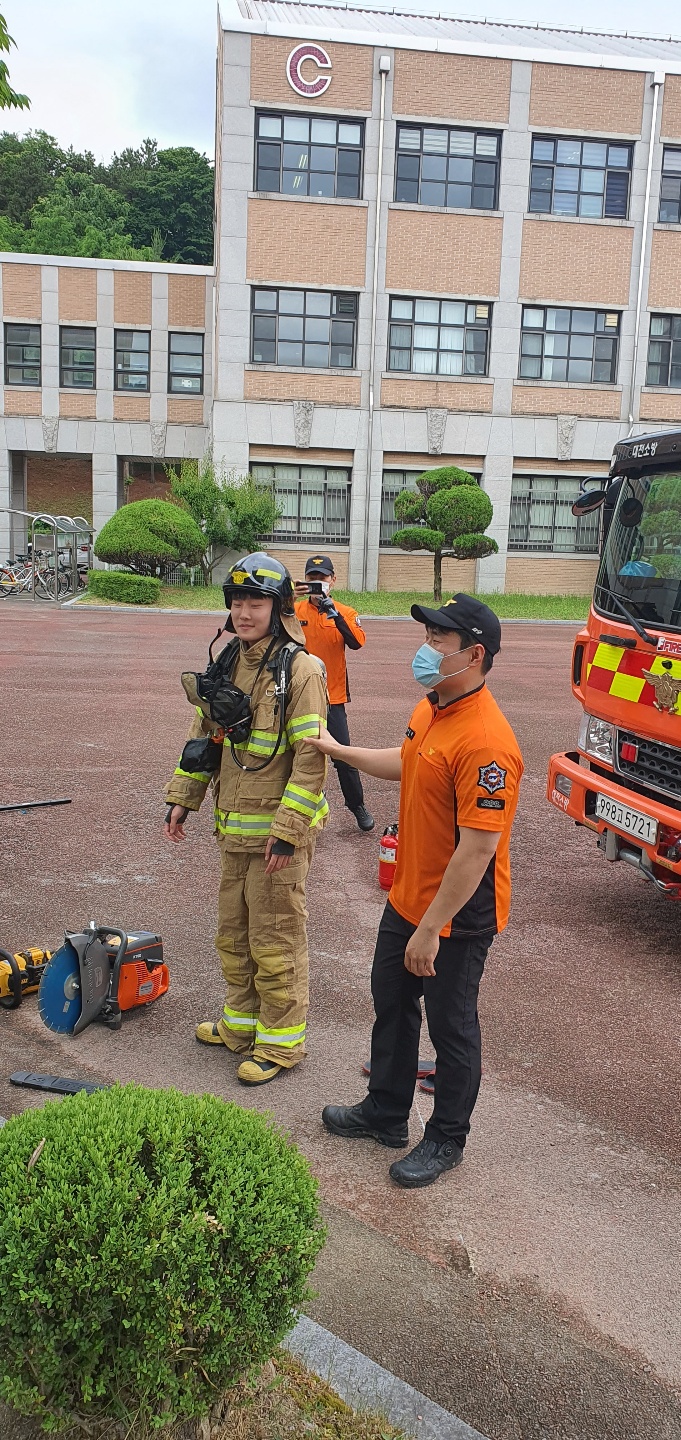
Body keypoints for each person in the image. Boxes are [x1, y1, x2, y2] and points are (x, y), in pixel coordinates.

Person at [307, 594, 523, 1187]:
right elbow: (404, 762)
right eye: (427, 635)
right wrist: (335, 749)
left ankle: (447, 1139)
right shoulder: (434, 707)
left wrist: (431, 928)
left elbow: (478, 849)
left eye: (438, 641)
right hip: (408, 898)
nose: (426, 650)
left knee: (451, 1027)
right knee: (392, 1002)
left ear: (473, 654)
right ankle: (386, 1110)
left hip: (456, 916)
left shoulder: (488, 743)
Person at [163, 552, 329, 1086]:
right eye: (236, 600)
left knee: (275, 938)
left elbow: (311, 758)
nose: (243, 611)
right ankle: (240, 1027)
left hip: (276, 839)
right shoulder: (226, 663)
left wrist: (287, 832)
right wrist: (183, 798)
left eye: (255, 601)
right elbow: (204, 739)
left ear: (278, 607)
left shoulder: (301, 670)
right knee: (232, 935)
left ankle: (280, 1045)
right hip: (233, 830)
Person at [294, 555, 374, 833]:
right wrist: (284, 599)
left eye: (323, 578)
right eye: (312, 578)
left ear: (333, 580)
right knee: (294, 754)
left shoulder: (345, 612)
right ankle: (304, 807)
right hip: (297, 694)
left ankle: (357, 806)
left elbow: (356, 643)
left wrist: (333, 613)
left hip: (332, 697)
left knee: (343, 757)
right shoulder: (293, 610)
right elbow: (270, 628)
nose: (318, 583)